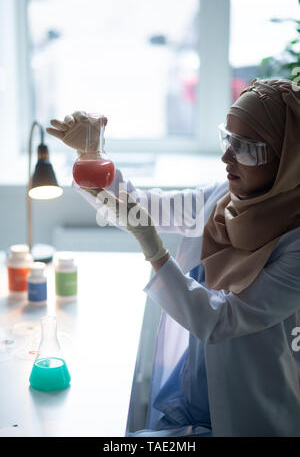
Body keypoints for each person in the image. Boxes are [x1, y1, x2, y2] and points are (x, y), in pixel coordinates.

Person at [46, 78, 300, 437]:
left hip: (249, 418)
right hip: (195, 399)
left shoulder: (295, 247)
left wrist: (155, 251)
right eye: (227, 139)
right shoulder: (224, 201)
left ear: (289, 160)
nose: (226, 156)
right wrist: (92, 156)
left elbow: (221, 320)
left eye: (247, 148)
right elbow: (143, 207)